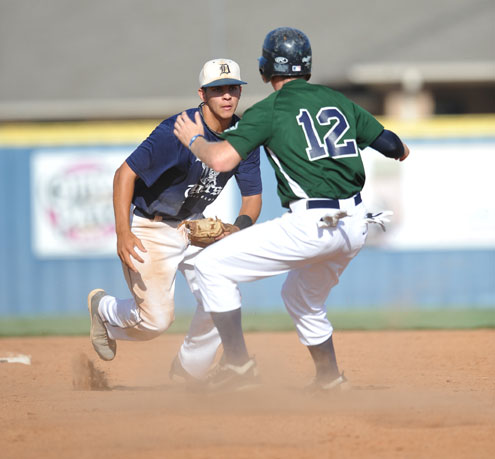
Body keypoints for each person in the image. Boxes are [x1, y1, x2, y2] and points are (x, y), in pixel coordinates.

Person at [173, 27, 410, 392]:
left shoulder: (269, 110)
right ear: (307, 68)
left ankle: (237, 366)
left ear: (266, 70)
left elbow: (220, 159)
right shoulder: (337, 101)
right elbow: (396, 147)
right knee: (301, 297)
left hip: (313, 223)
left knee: (209, 266)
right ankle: (329, 379)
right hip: (356, 225)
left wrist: (194, 140)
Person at [87, 58, 262, 383]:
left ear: (239, 92)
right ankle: (105, 310)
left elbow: (252, 198)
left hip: (193, 227)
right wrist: (123, 232)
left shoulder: (244, 137)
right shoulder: (176, 131)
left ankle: (187, 373)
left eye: (232, 89)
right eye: (217, 90)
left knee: (221, 297)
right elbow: (124, 174)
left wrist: (237, 229)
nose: (226, 96)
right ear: (202, 94)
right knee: (155, 322)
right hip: (151, 227)